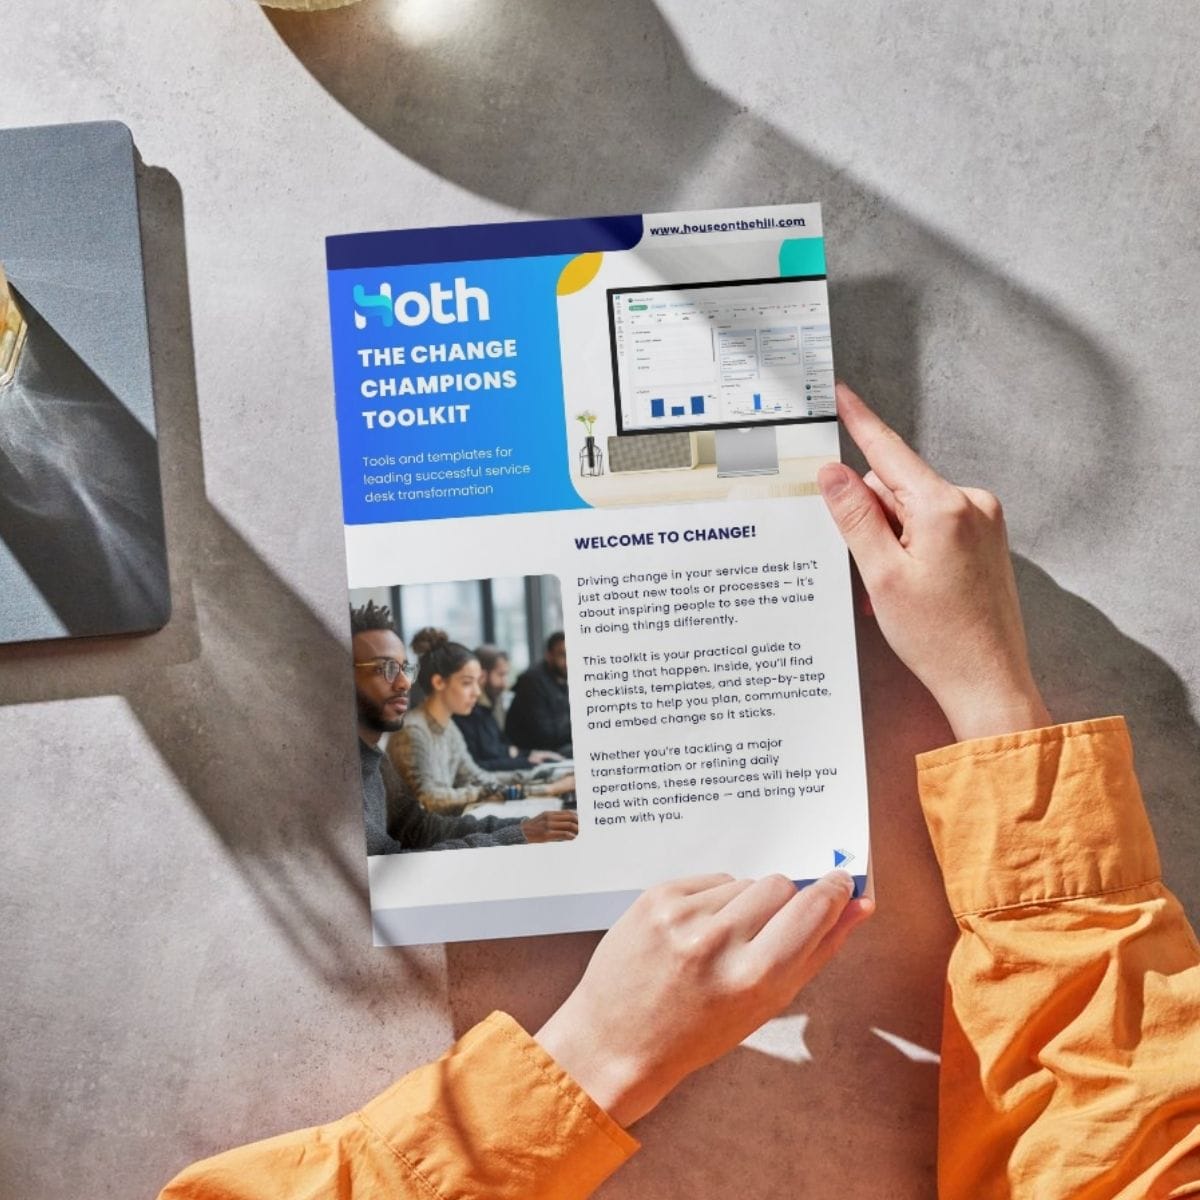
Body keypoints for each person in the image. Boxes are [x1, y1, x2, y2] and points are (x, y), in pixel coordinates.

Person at [159, 384, 1200, 1199]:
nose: (476, 687)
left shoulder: (461, 727)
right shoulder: (432, 733)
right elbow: (1117, 1147)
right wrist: (992, 695)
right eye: (467, 679)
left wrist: (593, 1059)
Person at [352, 601, 577, 853]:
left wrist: (524, 826)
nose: (404, 682)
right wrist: (518, 831)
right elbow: (399, 853)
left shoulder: (376, 759)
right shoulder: (340, 780)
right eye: (385, 668)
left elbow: (421, 828)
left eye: (404, 669)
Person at [389, 627, 576, 815]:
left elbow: (477, 777)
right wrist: (545, 789)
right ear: (439, 682)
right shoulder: (413, 731)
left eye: (476, 682)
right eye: (467, 683)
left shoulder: (448, 727)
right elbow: (431, 800)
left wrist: (547, 778)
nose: (477, 692)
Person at [453, 643, 566, 770]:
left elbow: (505, 749)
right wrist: (526, 761)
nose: (505, 684)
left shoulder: (486, 710)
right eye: (501, 675)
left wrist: (530, 755)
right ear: (482, 676)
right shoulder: (464, 713)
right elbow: (476, 765)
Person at [505, 630, 573, 756]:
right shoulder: (532, 682)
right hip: (532, 753)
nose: (568, 661)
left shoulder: (565, 681)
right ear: (549, 655)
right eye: (563, 655)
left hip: (555, 748)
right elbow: (546, 735)